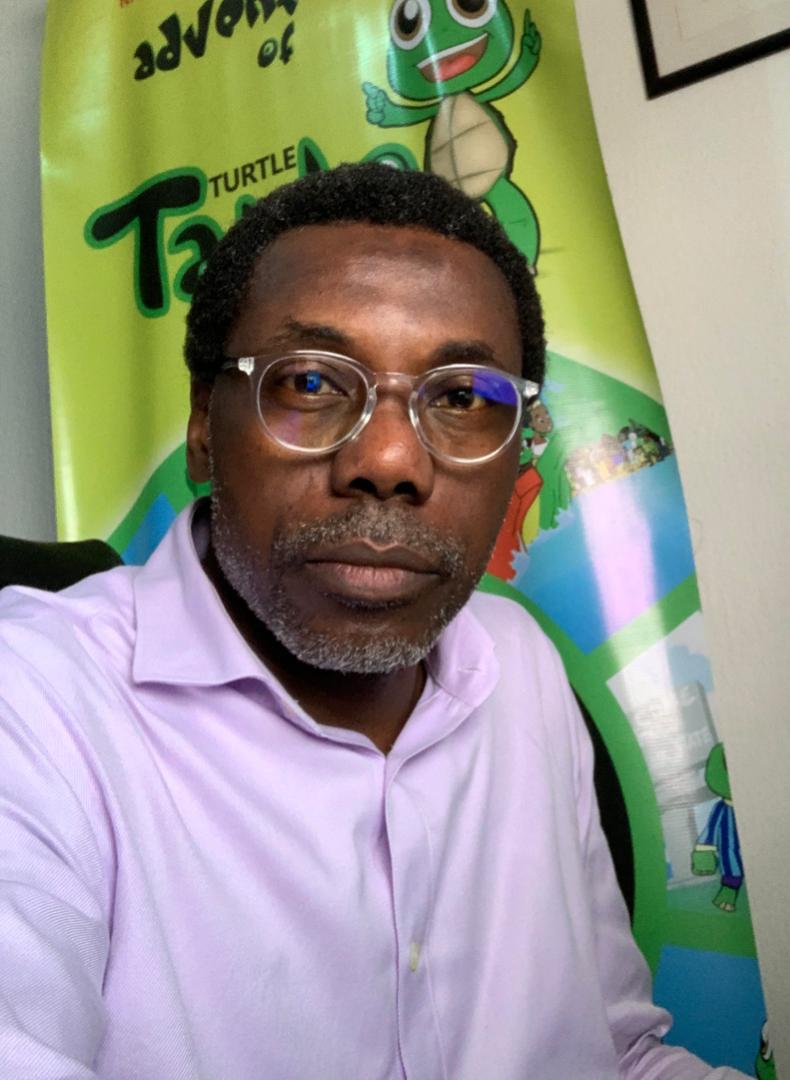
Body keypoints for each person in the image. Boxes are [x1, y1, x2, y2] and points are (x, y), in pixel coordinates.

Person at [0, 164, 748, 1079]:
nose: (389, 459)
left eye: (462, 396)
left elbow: (615, 1052)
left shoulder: (519, 662)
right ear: (202, 424)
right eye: (313, 381)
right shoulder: (33, 701)